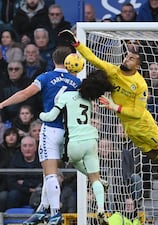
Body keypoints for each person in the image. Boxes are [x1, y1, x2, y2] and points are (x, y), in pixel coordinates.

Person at [59, 30, 158, 201]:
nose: (126, 59)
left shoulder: (140, 85)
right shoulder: (113, 71)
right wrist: (77, 44)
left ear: (138, 65)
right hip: (130, 129)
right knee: (154, 155)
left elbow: (138, 112)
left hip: (144, 125)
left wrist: (114, 106)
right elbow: (93, 58)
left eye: (131, 58)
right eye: (127, 56)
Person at [0, 46, 81, 225]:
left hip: (51, 128)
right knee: (49, 171)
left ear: (54, 61)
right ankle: (42, 209)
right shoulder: (76, 82)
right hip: (69, 132)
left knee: (50, 172)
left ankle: (55, 213)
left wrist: (2, 104)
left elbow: (24, 94)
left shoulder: (46, 77)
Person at [37, 70, 113, 224]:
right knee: (95, 178)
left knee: (67, 164)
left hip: (74, 143)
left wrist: (41, 116)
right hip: (91, 140)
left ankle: (48, 208)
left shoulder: (66, 96)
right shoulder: (88, 102)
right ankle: (100, 209)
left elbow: (51, 116)